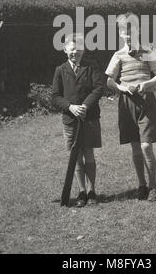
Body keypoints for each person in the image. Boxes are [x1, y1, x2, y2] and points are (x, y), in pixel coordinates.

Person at [105, 13, 156, 201]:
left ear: (138, 31)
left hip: (146, 102)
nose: (128, 35)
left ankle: (153, 186)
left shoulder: (147, 51)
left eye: (131, 32)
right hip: (127, 104)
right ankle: (142, 185)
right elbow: (109, 81)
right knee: (136, 147)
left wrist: (145, 85)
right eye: (124, 32)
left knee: (146, 146)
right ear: (120, 34)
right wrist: (122, 87)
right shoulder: (118, 55)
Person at [52, 34, 104, 207]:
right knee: (76, 156)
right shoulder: (60, 70)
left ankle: (91, 191)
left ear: (84, 49)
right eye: (72, 49)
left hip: (89, 117)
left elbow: (98, 88)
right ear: (65, 50)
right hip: (70, 119)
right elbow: (55, 96)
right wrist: (71, 107)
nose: (76, 52)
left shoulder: (92, 66)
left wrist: (85, 106)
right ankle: (81, 192)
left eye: (79, 48)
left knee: (89, 153)